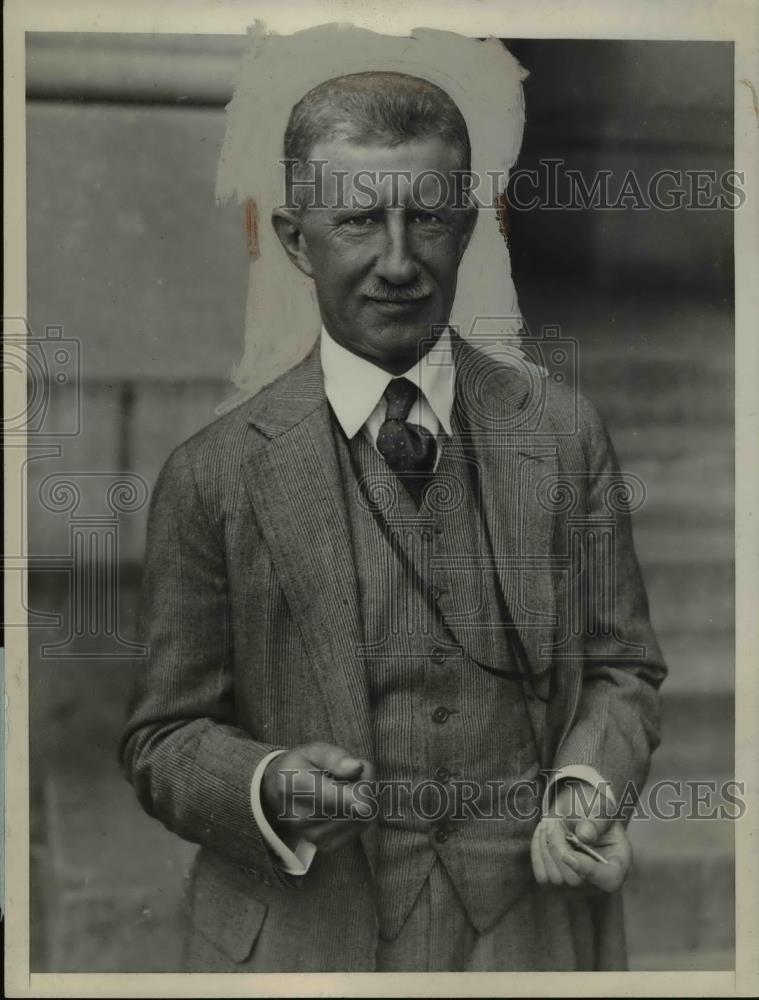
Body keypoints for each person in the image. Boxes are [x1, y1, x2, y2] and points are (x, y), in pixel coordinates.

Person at [120, 70, 666, 972]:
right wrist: (265, 784)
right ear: (297, 240)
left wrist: (585, 785)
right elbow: (162, 738)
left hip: (528, 935)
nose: (400, 261)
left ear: (473, 227)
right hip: (304, 943)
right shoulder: (211, 475)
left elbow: (622, 666)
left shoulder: (562, 437)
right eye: (358, 221)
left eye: (430, 219)